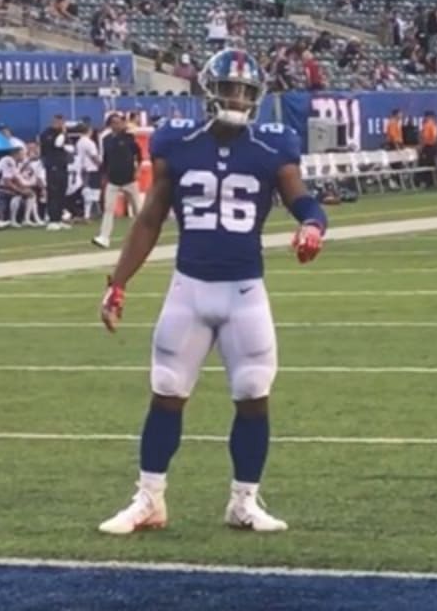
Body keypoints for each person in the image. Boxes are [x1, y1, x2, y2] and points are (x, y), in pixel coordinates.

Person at [96, 49, 327, 535]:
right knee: (166, 390)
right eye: (228, 88)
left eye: (244, 90)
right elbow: (151, 218)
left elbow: (301, 198)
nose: (235, 97)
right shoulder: (177, 142)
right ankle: (150, 500)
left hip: (245, 291)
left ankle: (244, 501)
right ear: (207, 90)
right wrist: (118, 282)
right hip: (189, 289)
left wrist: (312, 225)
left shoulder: (272, 145)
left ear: (257, 95)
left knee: (252, 392)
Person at [91, 112, 141, 249]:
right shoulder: (106, 140)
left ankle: (140, 236)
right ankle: (104, 237)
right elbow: (106, 159)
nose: (116, 125)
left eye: (118, 122)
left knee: (138, 209)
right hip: (113, 180)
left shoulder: (129, 138)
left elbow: (139, 155)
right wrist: (103, 176)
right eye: (113, 123)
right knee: (109, 209)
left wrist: (138, 171)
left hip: (130, 179)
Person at [39, 114, 70, 230]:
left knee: (62, 191)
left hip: (63, 165)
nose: (61, 124)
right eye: (59, 122)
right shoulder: (47, 134)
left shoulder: (63, 134)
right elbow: (57, 144)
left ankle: (59, 218)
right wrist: (63, 133)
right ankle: (52, 219)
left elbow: (69, 147)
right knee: (54, 192)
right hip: (52, 165)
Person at [74, 123, 101, 220]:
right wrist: (100, 165)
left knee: (87, 190)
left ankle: (89, 212)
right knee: (92, 191)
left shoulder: (79, 142)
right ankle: (90, 213)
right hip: (91, 168)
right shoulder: (89, 143)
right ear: (89, 131)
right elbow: (93, 156)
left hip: (82, 168)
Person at [417, 111, 437, 188]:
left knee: (425, 164)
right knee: (431, 165)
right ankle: (431, 182)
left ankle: (427, 182)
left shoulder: (427, 125)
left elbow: (425, 138)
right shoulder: (434, 124)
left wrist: (421, 148)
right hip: (434, 146)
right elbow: (435, 137)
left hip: (429, 147)